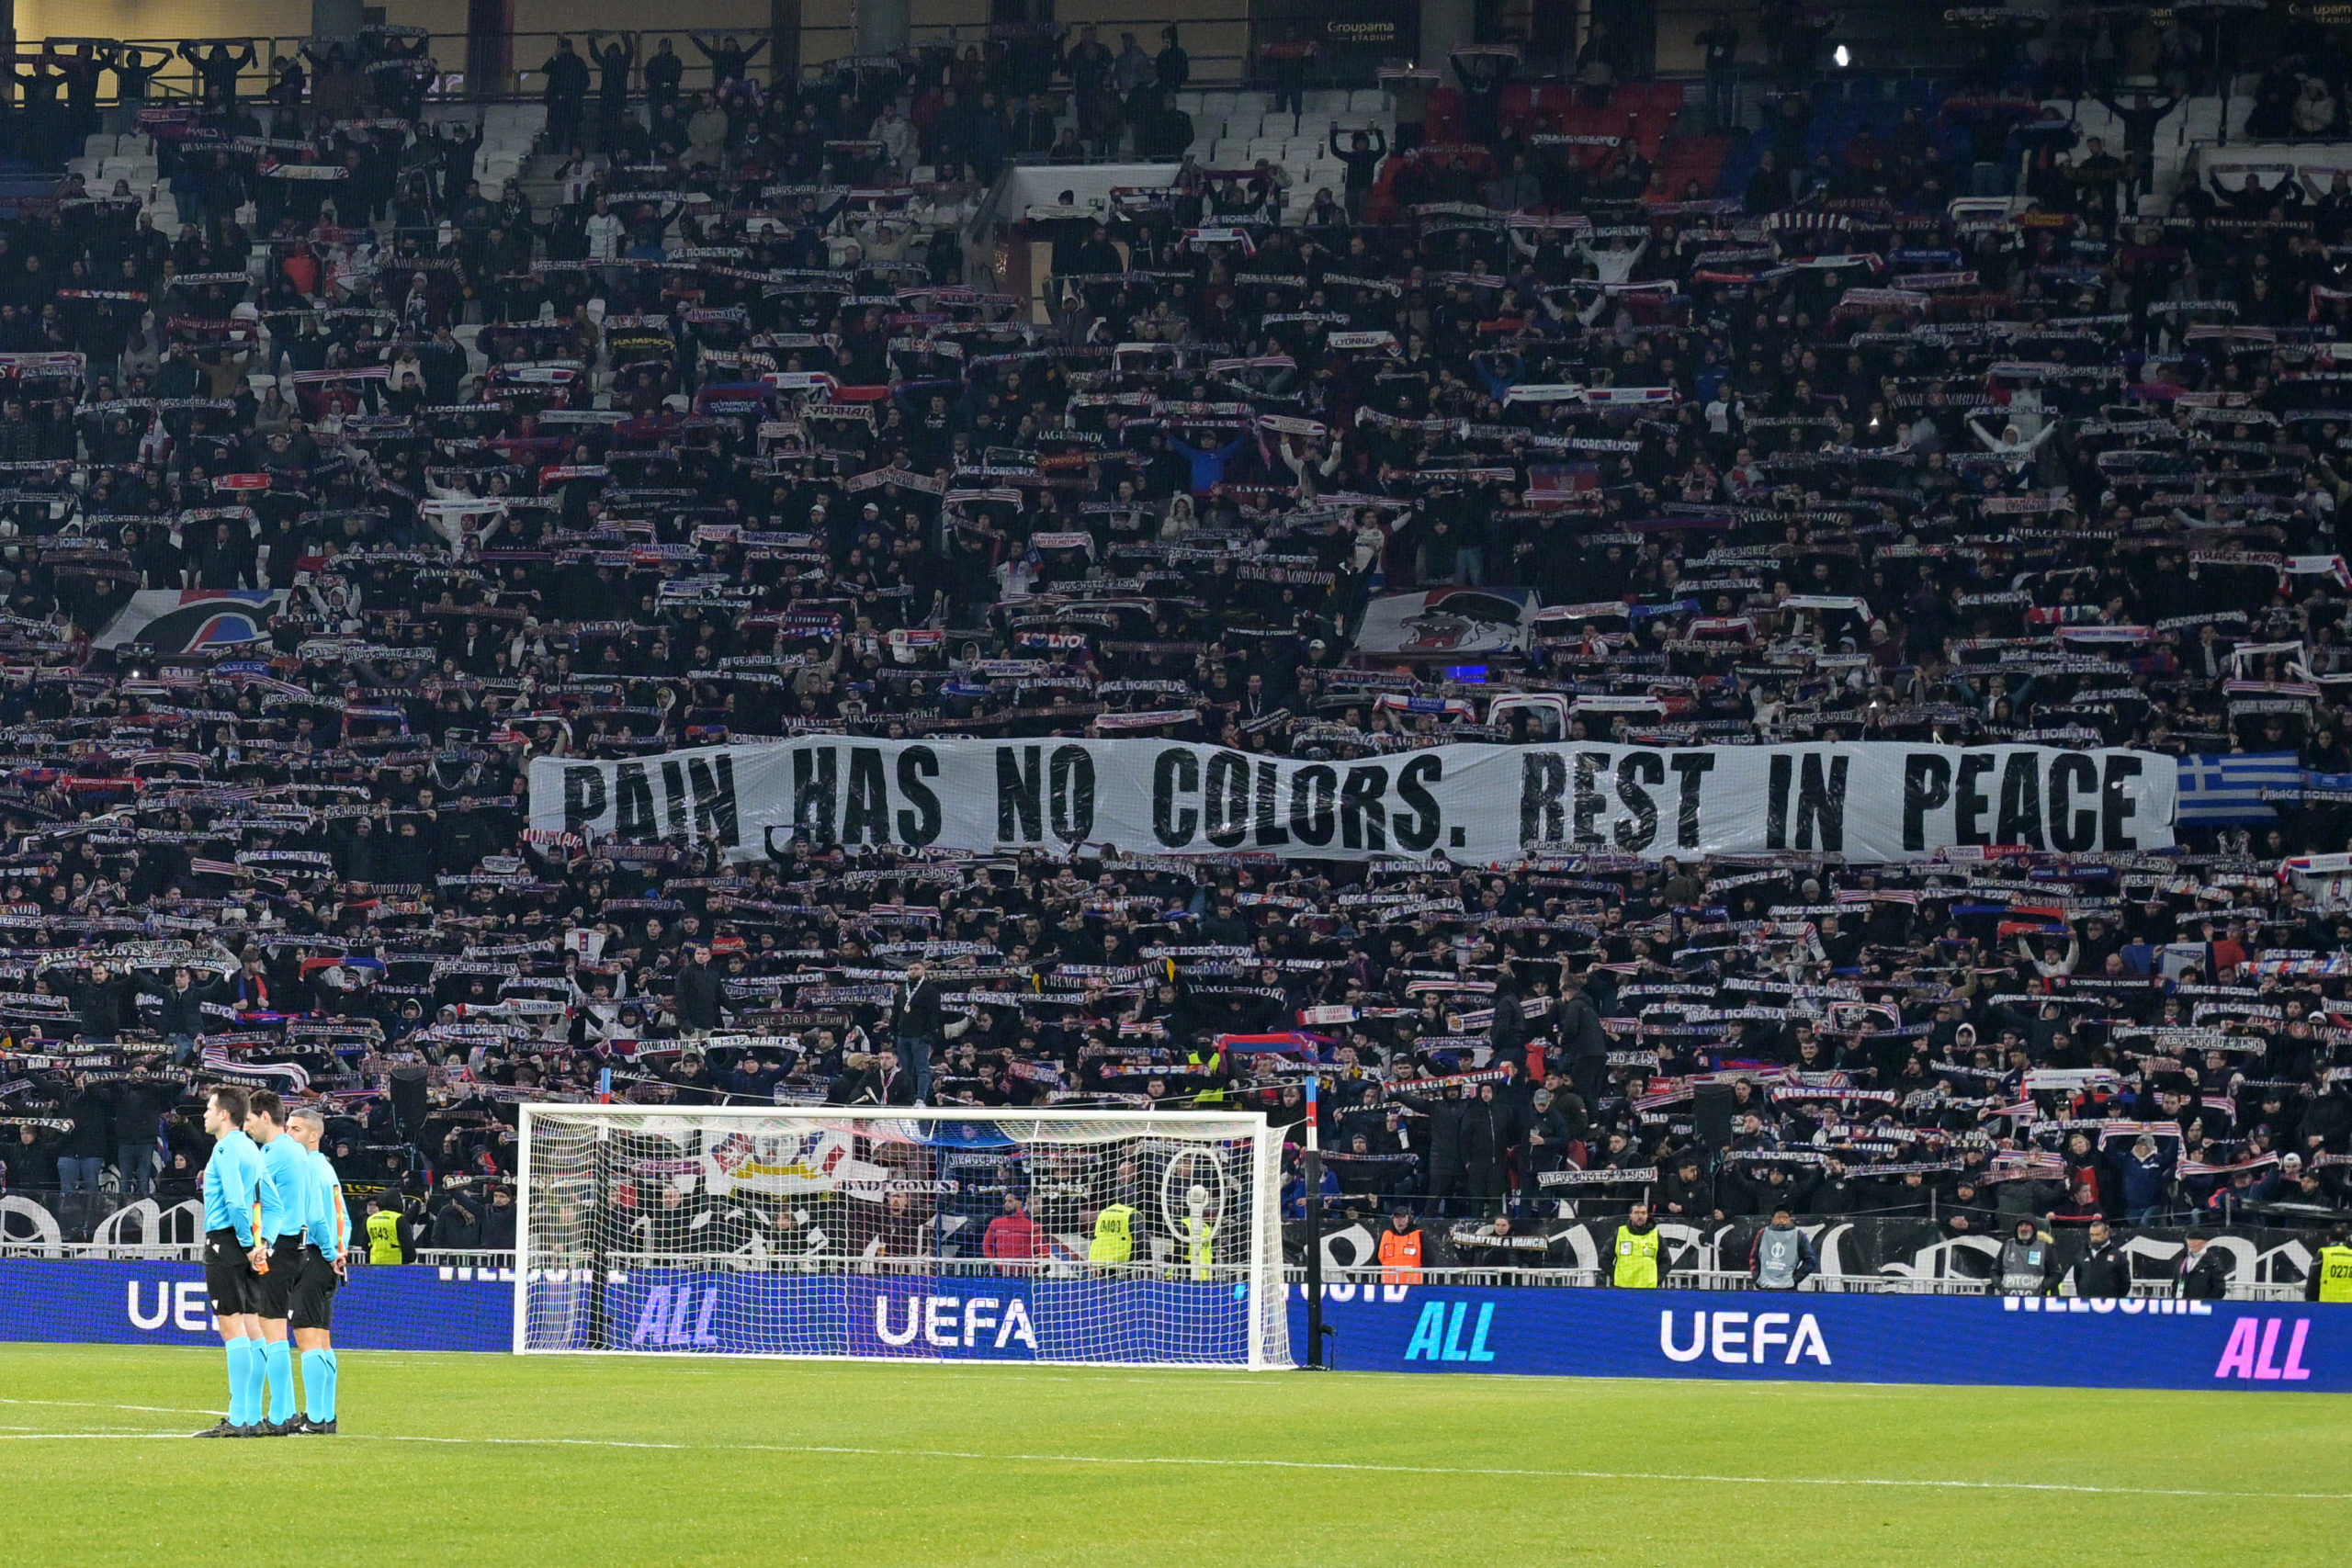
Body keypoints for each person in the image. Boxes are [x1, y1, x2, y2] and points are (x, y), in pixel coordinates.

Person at [194, 1086, 276, 1438]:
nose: (205, 1114)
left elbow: (235, 1203)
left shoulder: (226, 1148)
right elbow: (272, 1203)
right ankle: (252, 1416)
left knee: (232, 1328)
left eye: (210, 1108)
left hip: (226, 1243)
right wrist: (262, 1244)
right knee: (252, 1327)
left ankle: (239, 1418)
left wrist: (246, 1246)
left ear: (225, 1114)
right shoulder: (252, 1150)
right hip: (247, 1243)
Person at [243, 1090, 309, 1434]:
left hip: (278, 1246)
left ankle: (281, 1414)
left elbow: (247, 1189)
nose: (247, 1127)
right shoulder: (294, 1150)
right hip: (294, 1244)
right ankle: (288, 1410)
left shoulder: (274, 1153)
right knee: (273, 1328)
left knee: (271, 1330)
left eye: (249, 1120)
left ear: (265, 1117)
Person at [285, 1103, 345, 1433]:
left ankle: (316, 1418)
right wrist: (340, 1250)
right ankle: (326, 1415)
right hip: (325, 1259)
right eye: (287, 1127)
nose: (288, 1133)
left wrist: (329, 1251)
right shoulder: (327, 1168)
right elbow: (342, 1216)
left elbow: (317, 1218)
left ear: (314, 1135)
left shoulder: (306, 1168)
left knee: (307, 1336)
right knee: (321, 1338)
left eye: (295, 1129)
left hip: (311, 1255)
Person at [1747, 1204, 1817, 1290]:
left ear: (1790, 1219)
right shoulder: (1763, 1233)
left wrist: (1794, 1279)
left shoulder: (1798, 1235)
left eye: (1785, 1217)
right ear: (1773, 1219)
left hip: (1788, 1288)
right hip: (1764, 1286)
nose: (1781, 1220)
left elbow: (1810, 1260)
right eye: (1778, 1217)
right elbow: (1753, 1257)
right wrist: (1757, 1277)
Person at [982, 1192, 1047, 1272]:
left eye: (1010, 1201)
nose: (1006, 1204)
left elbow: (1043, 1250)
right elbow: (986, 1245)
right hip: (1001, 1273)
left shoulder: (1033, 1225)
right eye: (1005, 1201)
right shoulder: (996, 1223)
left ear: (1019, 1203)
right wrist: (995, 1263)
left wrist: (1033, 1268)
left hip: (1027, 1274)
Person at [1996, 1219, 2060, 1296]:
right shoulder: (2007, 1246)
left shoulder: (2044, 1247)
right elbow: (1995, 1272)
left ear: (2033, 1228)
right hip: (2008, 1300)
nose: (2024, 1228)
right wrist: (2002, 1286)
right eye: (2021, 1225)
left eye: (2027, 1225)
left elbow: (2056, 1274)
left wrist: (2042, 1288)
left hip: (2036, 1300)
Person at [2071, 1218, 2132, 1299]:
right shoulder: (2083, 1253)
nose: (2094, 1238)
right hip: (2086, 1302)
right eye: (2092, 1235)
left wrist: (2114, 1299)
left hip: (2110, 1303)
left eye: (2097, 1235)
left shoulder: (2118, 1256)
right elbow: (2077, 1278)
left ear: (2106, 1233)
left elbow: (2125, 1284)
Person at [1612, 1201, 1662, 1288]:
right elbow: (1604, 1259)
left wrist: (1657, 1279)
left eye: (1643, 1213)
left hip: (1648, 1289)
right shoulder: (1620, 1233)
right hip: (1623, 1288)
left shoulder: (1655, 1235)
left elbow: (1666, 1261)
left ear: (1647, 1216)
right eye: (1636, 1213)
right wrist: (1616, 1277)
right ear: (1630, 1216)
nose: (1640, 1216)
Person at [2174, 1229, 2230, 1300]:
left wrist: (2206, 1302)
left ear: (2204, 1242)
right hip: (2182, 1303)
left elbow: (2219, 1289)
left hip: (2202, 1304)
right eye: (2189, 1240)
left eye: (2195, 1240)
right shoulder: (2182, 1261)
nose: (2192, 1242)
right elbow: (2175, 1283)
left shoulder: (2212, 1263)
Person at [1377, 1204, 1425, 1284]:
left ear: (1408, 1218)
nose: (1400, 1221)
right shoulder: (1385, 1235)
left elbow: (1429, 1260)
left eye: (1403, 1217)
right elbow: (1376, 1261)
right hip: (1388, 1284)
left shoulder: (1419, 1235)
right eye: (1397, 1218)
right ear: (1392, 1219)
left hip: (1413, 1284)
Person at [2306, 1224, 2352, 1303]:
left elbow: (2313, 1281)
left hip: (2327, 1304)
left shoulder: (2323, 1254)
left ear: (2328, 1238)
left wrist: (2310, 1300)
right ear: (2347, 1238)